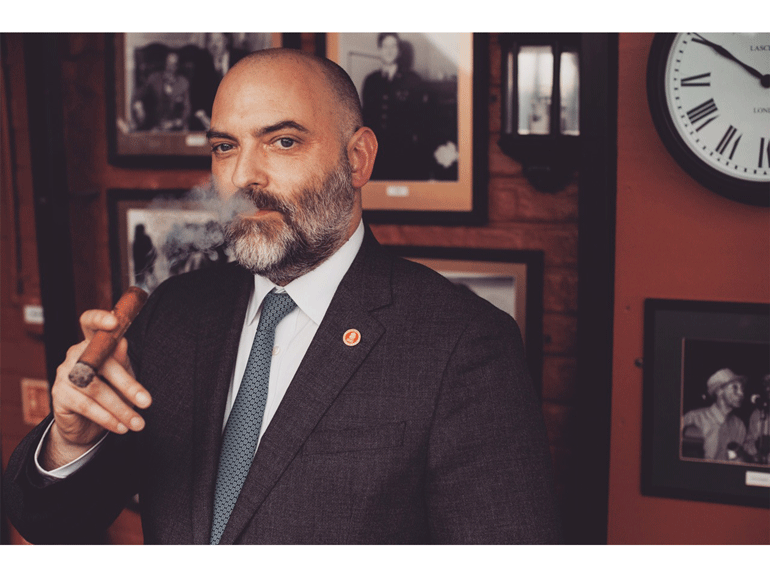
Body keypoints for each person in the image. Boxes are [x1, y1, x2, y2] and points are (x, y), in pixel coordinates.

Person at [2, 48, 561, 544]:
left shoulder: (462, 344)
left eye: (283, 141)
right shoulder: (172, 315)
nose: (244, 176)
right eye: (225, 147)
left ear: (358, 159)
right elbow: (50, 524)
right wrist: (69, 443)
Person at [361, 33, 429, 181]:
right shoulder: (371, 81)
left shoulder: (413, 80)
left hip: (404, 152)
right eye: (385, 46)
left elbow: (420, 121)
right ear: (379, 50)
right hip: (376, 153)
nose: (389, 50)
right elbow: (365, 117)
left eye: (393, 46)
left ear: (399, 51)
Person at [681, 368, 747, 462]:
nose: (741, 393)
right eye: (735, 387)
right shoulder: (693, 418)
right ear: (719, 391)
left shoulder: (739, 426)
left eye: (742, 388)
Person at [131, 51, 191, 132]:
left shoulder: (183, 83)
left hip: (176, 127)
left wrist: (176, 123)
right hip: (157, 127)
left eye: (173, 65)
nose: (170, 68)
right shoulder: (154, 79)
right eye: (168, 63)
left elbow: (187, 108)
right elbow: (138, 95)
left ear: (177, 67)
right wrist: (138, 105)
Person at [743, 374, 770, 464]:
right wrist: (756, 446)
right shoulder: (758, 413)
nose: (768, 388)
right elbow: (747, 445)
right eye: (765, 384)